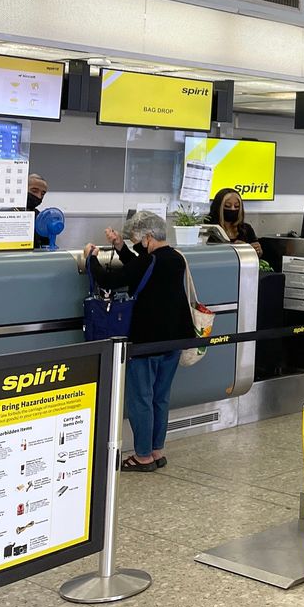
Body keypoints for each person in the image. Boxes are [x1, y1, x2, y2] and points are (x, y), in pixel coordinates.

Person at [85, 211, 196, 472]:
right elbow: (142, 268)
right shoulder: (175, 258)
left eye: (136, 240)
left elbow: (110, 280)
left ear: (147, 237)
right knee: (160, 397)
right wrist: (120, 247)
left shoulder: (148, 261)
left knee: (141, 399)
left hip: (147, 341)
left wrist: (91, 259)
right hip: (174, 339)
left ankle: (143, 456)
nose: (136, 245)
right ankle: (157, 450)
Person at [204, 187, 262, 255]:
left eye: (236, 206)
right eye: (227, 206)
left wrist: (255, 249)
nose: (232, 209)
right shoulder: (207, 228)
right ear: (218, 207)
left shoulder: (246, 229)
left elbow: (258, 254)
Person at [27, 173, 49, 247]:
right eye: (34, 191)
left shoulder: (41, 218)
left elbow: (45, 246)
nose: (39, 196)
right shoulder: (4, 214)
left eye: (42, 194)